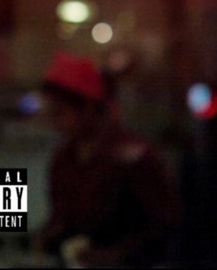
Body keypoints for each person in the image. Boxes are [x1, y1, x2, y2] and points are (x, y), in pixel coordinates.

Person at [36, 52, 180, 268]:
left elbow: (165, 224)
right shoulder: (64, 160)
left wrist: (116, 255)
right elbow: (63, 219)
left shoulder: (133, 157)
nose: (54, 123)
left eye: (60, 113)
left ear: (88, 108)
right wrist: (50, 237)